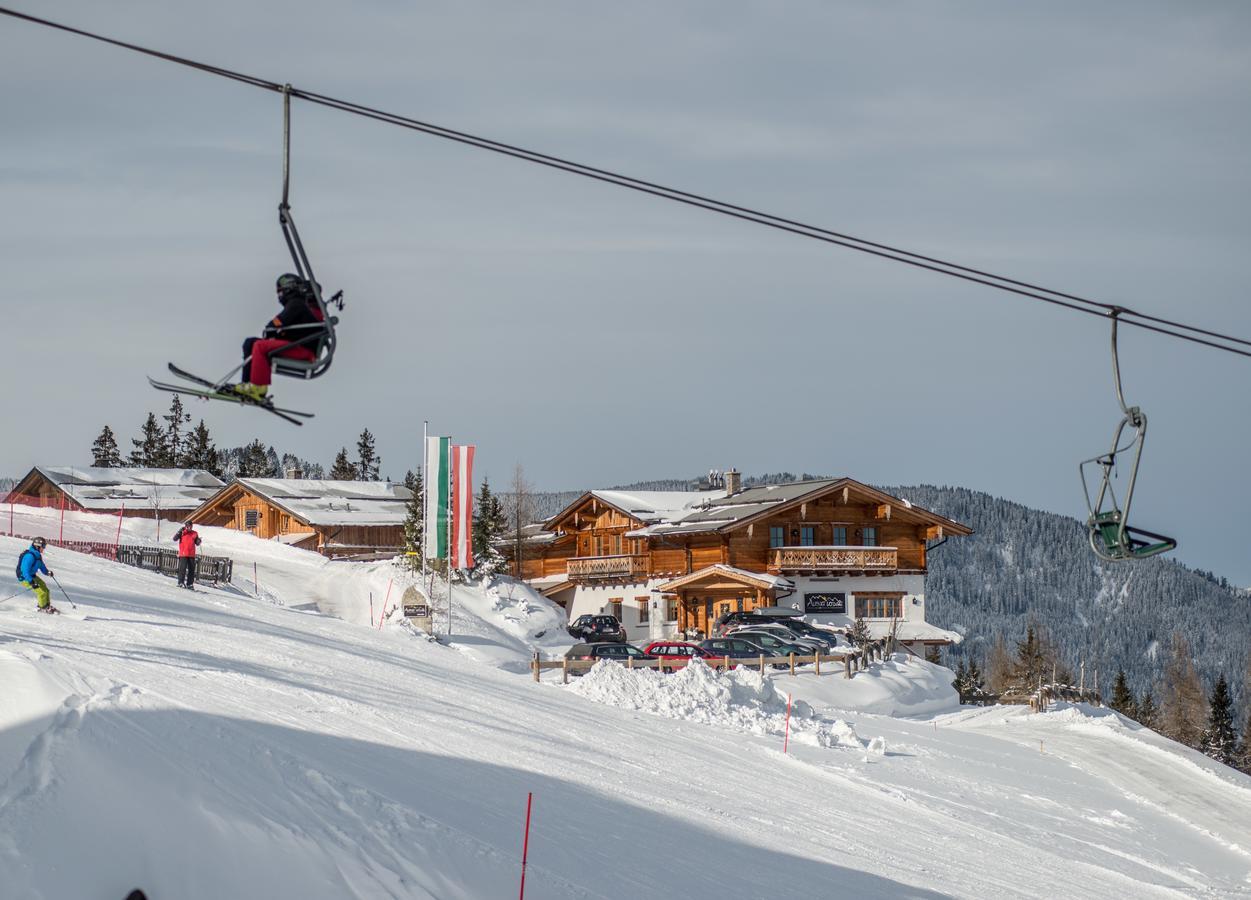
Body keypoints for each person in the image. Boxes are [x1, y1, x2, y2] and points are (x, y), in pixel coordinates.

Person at [231, 273, 326, 403]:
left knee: (260, 346)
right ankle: (247, 384)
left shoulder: (296, 304)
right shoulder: (300, 305)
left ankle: (258, 387)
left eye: (280, 292)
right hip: (295, 345)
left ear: (288, 289)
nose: (279, 296)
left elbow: (278, 322)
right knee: (250, 343)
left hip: (303, 350)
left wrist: (271, 331)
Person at [15, 536, 55, 614]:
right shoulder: (29, 556)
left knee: (45, 589)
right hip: (24, 577)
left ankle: (47, 606)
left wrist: (47, 572)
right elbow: (25, 571)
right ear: (37, 546)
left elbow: (42, 567)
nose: (44, 548)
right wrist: (31, 582)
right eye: (43, 546)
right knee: (41, 592)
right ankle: (42, 608)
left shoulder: (37, 556)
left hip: (32, 576)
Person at [172, 520, 201, 589]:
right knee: (182, 569)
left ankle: (190, 584)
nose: (189, 528)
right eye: (188, 526)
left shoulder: (195, 533)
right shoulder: (182, 532)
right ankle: (181, 582)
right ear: (185, 526)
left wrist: (198, 541)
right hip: (183, 554)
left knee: (191, 570)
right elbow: (174, 539)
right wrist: (179, 532)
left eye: (191, 526)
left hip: (191, 554)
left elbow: (197, 543)